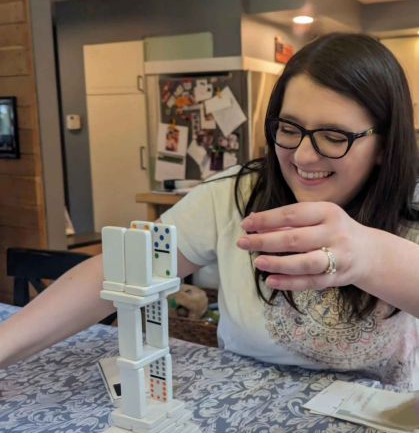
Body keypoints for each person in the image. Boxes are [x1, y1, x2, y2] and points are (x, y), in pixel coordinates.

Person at [1, 33, 419, 388]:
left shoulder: (410, 204)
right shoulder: (234, 194)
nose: (304, 156)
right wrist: (6, 343)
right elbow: (123, 268)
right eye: (289, 129)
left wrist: (371, 255)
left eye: (332, 136)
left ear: (384, 144)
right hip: (243, 420)